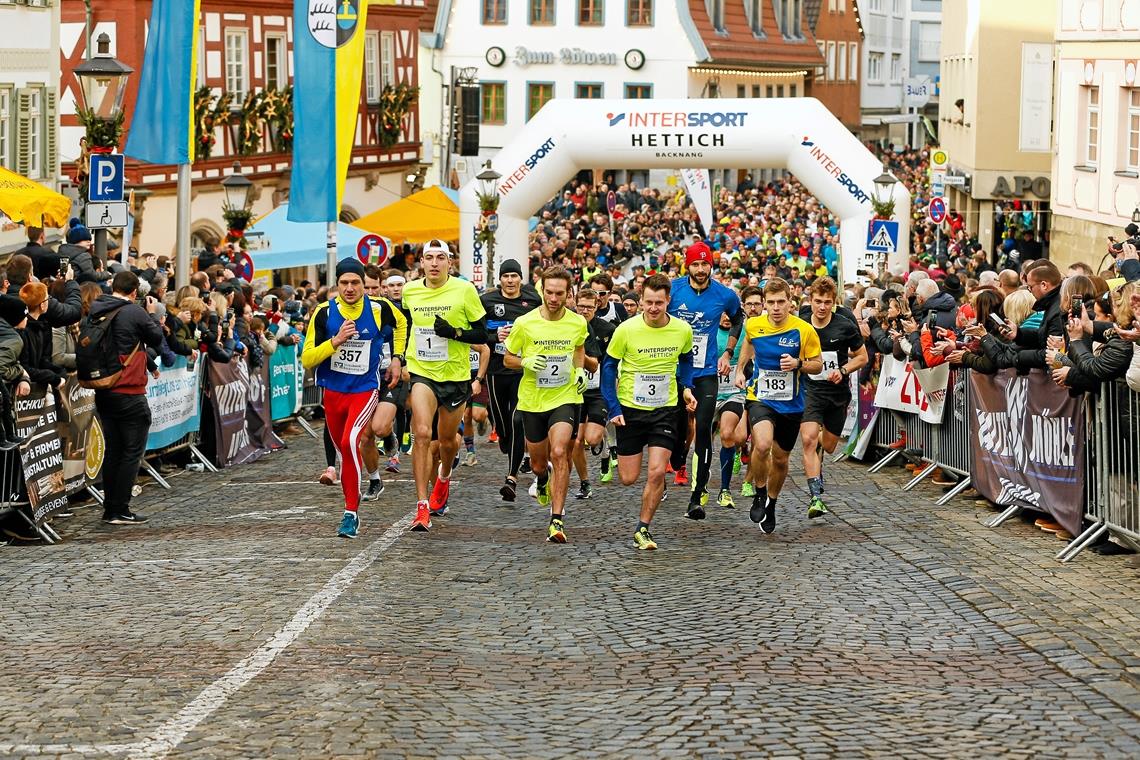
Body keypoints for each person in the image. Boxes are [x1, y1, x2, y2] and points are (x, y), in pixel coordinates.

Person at [301, 258, 407, 538]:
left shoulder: (379, 308)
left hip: (364, 389)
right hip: (333, 393)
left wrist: (397, 358)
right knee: (344, 449)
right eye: (344, 283)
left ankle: (350, 512)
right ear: (337, 285)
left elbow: (401, 324)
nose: (350, 288)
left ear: (364, 283)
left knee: (351, 441)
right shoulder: (323, 313)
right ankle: (353, 504)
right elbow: (307, 358)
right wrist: (335, 342)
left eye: (355, 282)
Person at [601, 274, 696, 550]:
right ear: (640, 301)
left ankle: (643, 529)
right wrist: (613, 407)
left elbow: (687, 358)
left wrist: (687, 387)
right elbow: (609, 367)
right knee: (629, 478)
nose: (654, 308)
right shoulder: (626, 330)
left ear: (668, 301)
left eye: (659, 303)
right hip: (631, 410)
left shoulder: (682, 330)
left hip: (665, 410)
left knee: (656, 472)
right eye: (649, 302)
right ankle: (651, 487)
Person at [402, 239, 488, 531]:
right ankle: (422, 506)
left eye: (440, 257)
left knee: (448, 441)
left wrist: (454, 332)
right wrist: (399, 359)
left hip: (454, 376)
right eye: (429, 257)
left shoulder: (464, 290)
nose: (435, 263)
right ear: (422, 263)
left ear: (449, 262)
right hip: (422, 372)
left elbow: (483, 333)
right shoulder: (410, 290)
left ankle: (444, 476)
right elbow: (406, 327)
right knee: (423, 434)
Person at [503, 267, 588, 542]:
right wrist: (525, 362)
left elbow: (578, 349)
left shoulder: (577, 322)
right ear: (541, 291)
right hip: (533, 400)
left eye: (559, 293)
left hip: (565, 396)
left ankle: (557, 520)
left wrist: (579, 371)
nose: (553, 298)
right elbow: (508, 358)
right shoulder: (525, 323)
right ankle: (541, 479)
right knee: (539, 464)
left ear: (568, 293)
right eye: (548, 292)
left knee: (561, 450)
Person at [735, 277, 822, 534]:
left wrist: (798, 364)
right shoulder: (754, 325)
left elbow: (817, 364)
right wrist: (740, 369)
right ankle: (760, 492)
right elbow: (748, 343)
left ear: (790, 302)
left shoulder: (804, 330)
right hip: (760, 396)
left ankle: (771, 503)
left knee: (782, 460)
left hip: (791, 403)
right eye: (770, 302)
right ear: (764, 303)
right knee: (761, 445)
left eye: (780, 302)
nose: (775, 308)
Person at [668, 241, 743, 519]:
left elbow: (738, 319)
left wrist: (728, 351)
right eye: (695, 264)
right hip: (673, 373)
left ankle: (698, 494)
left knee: (702, 428)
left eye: (705, 264)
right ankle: (677, 458)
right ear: (687, 265)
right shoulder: (673, 290)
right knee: (676, 432)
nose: (700, 269)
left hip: (706, 372)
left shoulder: (724, 295)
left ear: (712, 265)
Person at [88, 272, 164, 524]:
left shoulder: (97, 308)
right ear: (134, 292)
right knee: (131, 451)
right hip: (129, 389)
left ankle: (110, 508)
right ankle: (120, 508)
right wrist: (152, 314)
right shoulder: (133, 311)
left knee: (114, 451)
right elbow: (155, 337)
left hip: (104, 387)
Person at [797, 277, 868, 519]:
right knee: (807, 439)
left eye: (827, 302)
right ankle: (815, 497)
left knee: (826, 445)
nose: (822, 307)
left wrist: (844, 370)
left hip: (837, 393)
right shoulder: (801, 322)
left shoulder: (845, 325)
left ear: (833, 302)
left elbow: (862, 357)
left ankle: (818, 452)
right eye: (818, 301)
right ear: (811, 300)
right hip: (810, 391)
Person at [479, 258, 540, 501]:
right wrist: (495, 335)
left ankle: (511, 477)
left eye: (515, 276)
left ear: (520, 279)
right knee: (502, 423)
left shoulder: (533, 300)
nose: (511, 280)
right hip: (496, 368)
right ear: (500, 279)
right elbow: (478, 331)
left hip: (521, 370)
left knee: (517, 421)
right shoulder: (487, 301)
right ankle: (502, 435)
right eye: (507, 276)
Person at [714, 286, 763, 508]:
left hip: (752, 390)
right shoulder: (723, 331)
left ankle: (747, 481)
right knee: (739, 437)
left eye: (757, 303)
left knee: (759, 442)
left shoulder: (755, 328)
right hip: (725, 390)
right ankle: (734, 452)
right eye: (749, 304)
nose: (754, 308)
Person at [570, 287, 615, 498]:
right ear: (575, 305)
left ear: (596, 306)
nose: (584, 311)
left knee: (592, 438)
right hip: (576, 391)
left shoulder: (606, 329)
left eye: (589, 307)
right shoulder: (568, 326)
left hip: (599, 390)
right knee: (577, 441)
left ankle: (605, 449)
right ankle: (585, 482)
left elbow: (611, 362)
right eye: (581, 306)